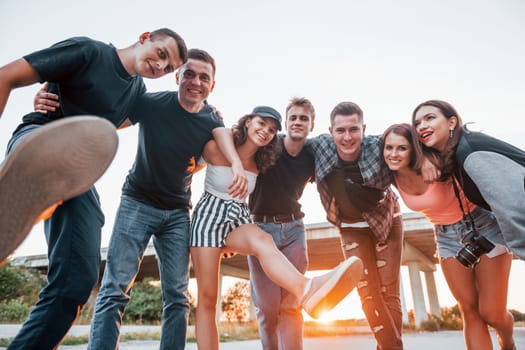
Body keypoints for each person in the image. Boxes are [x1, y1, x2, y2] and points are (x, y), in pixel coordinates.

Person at [33, 48, 249, 349]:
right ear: (177, 76)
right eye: (189, 74)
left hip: (176, 213)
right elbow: (104, 118)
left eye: (204, 77)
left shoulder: (211, 118)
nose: (195, 82)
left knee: (177, 295)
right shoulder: (152, 103)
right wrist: (53, 101)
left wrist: (236, 174)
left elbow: (225, 139)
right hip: (137, 202)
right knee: (115, 289)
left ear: (212, 86)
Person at [0, 29, 188, 349]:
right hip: (39, 136)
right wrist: (43, 97)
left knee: (77, 283)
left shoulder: (137, 94)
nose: (161, 67)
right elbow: (6, 77)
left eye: (169, 68)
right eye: (161, 54)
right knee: (48, 155)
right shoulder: (89, 52)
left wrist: (212, 115)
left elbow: (173, 109)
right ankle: (29, 190)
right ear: (145, 38)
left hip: (79, 174)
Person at [190, 105, 364, 350]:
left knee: (264, 242)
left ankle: (306, 289)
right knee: (208, 299)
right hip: (208, 219)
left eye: (271, 130)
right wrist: (236, 164)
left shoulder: (262, 162)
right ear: (248, 121)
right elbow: (219, 131)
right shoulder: (217, 146)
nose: (265, 131)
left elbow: (300, 153)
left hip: (238, 218)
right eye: (261, 123)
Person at [382, 123, 515, 350]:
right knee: (469, 310)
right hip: (445, 235)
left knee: (492, 312)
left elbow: (455, 138)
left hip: (482, 226)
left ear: (414, 148)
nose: (393, 154)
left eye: (402, 148)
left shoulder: (436, 160)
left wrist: (428, 156)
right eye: (389, 147)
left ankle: (507, 341)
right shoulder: (389, 174)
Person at [309, 101, 404, 350]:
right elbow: (285, 144)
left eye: (354, 129)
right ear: (330, 132)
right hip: (350, 226)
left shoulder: (380, 146)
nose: (347, 137)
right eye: (340, 130)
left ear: (364, 128)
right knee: (368, 292)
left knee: (389, 292)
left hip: (387, 219)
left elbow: (412, 147)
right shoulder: (320, 147)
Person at [411, 100, 525, 260]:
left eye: (430, 118)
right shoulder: (460, 151)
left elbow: (514, 208)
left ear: (451, 122)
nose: (421, 126)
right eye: (417, 123)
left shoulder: (471, 152)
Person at [247, 97, 315, 350]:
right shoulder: (268, 144)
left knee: (292, 304)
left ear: (312, 125)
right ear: (286, 123)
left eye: (304, 118)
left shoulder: (313, 153)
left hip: (295, 230)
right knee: (266, 307)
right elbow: (243, 138)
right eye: (294, 118)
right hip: (261, 230)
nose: (298, 122)